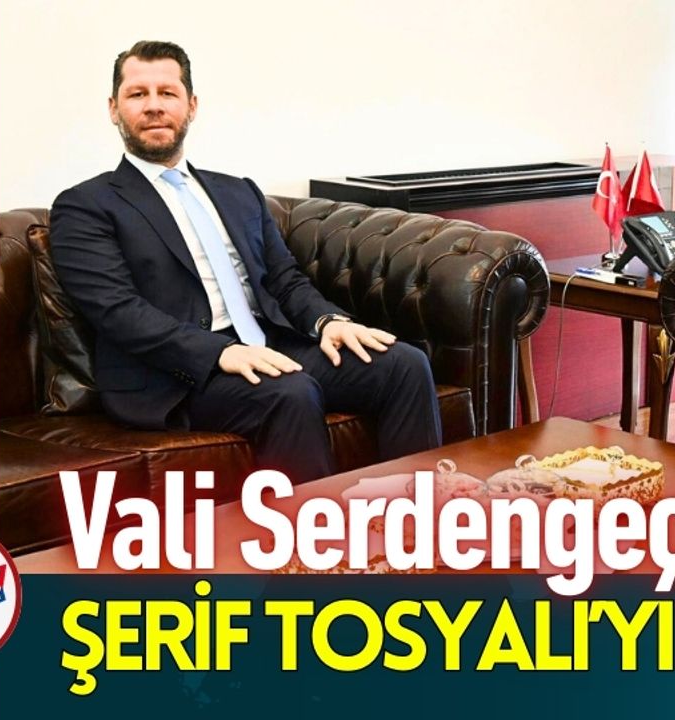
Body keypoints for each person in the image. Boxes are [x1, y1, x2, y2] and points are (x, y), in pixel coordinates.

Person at [49, 40, 441, 484]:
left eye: (168, 93)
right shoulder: (85, 205)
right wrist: (221, 352)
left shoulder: (238, 192)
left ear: (191, 106)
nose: (154, 106)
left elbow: (284, 279)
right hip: (176, 375)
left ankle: (415, 512)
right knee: (290, 392)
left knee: (404, 365)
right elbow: (118, 312)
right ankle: (314, 529)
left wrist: (327, 321)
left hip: (268, 343)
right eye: (138, 94)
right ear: (113, 109)